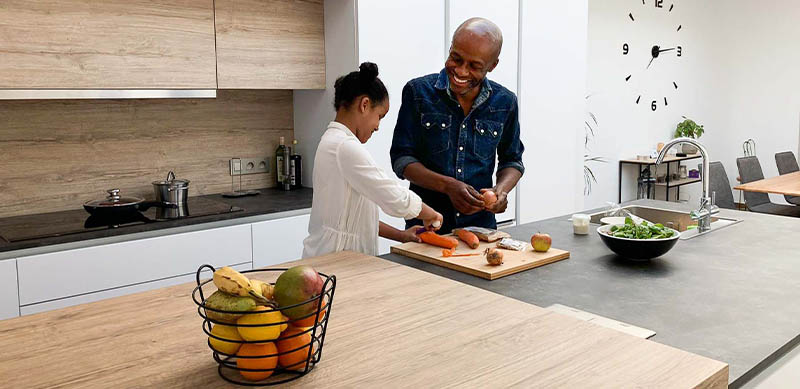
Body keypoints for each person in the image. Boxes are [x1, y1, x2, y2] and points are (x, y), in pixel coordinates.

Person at [390, 17, 525, 234]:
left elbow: (512, 160)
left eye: (474, 66)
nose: (461, 71)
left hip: (481, 231)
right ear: (451, 48)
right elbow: (401, 159)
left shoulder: (505, 102)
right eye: (456, 58)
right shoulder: (417, 92)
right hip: (427, 229)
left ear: (493, 65)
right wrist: (448, 186)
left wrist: (501, 191)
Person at [302, 62, 444, 258]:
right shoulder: (345, 147)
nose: (377, 126)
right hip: (336, 262)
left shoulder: (332, 142)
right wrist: (431, 214)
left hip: (330, 259)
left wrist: (402, 236)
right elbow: (392, 197)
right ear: (365, 104)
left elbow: (360, 219)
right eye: (380, 116)